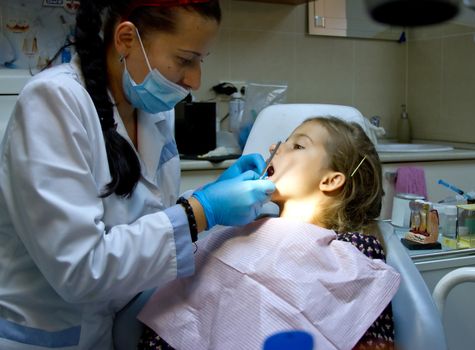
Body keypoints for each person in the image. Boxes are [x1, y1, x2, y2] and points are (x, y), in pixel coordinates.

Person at [0, 1, 275, 349]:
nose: (194, 81)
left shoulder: (153, 110)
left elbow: (146, 219)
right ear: (126, 39)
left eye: (200, 61)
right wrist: (200, 211)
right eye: (185, 59)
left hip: (118, 327)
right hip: (51, 335)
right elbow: (82, 269)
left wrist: (205, 197)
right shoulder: (54, 102)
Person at [138, 116, 396, 350]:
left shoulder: (353, 251)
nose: (274, 148)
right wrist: (202, 205)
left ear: (330, 180)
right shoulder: (243, 231)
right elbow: (177, 324)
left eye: (298, 146)